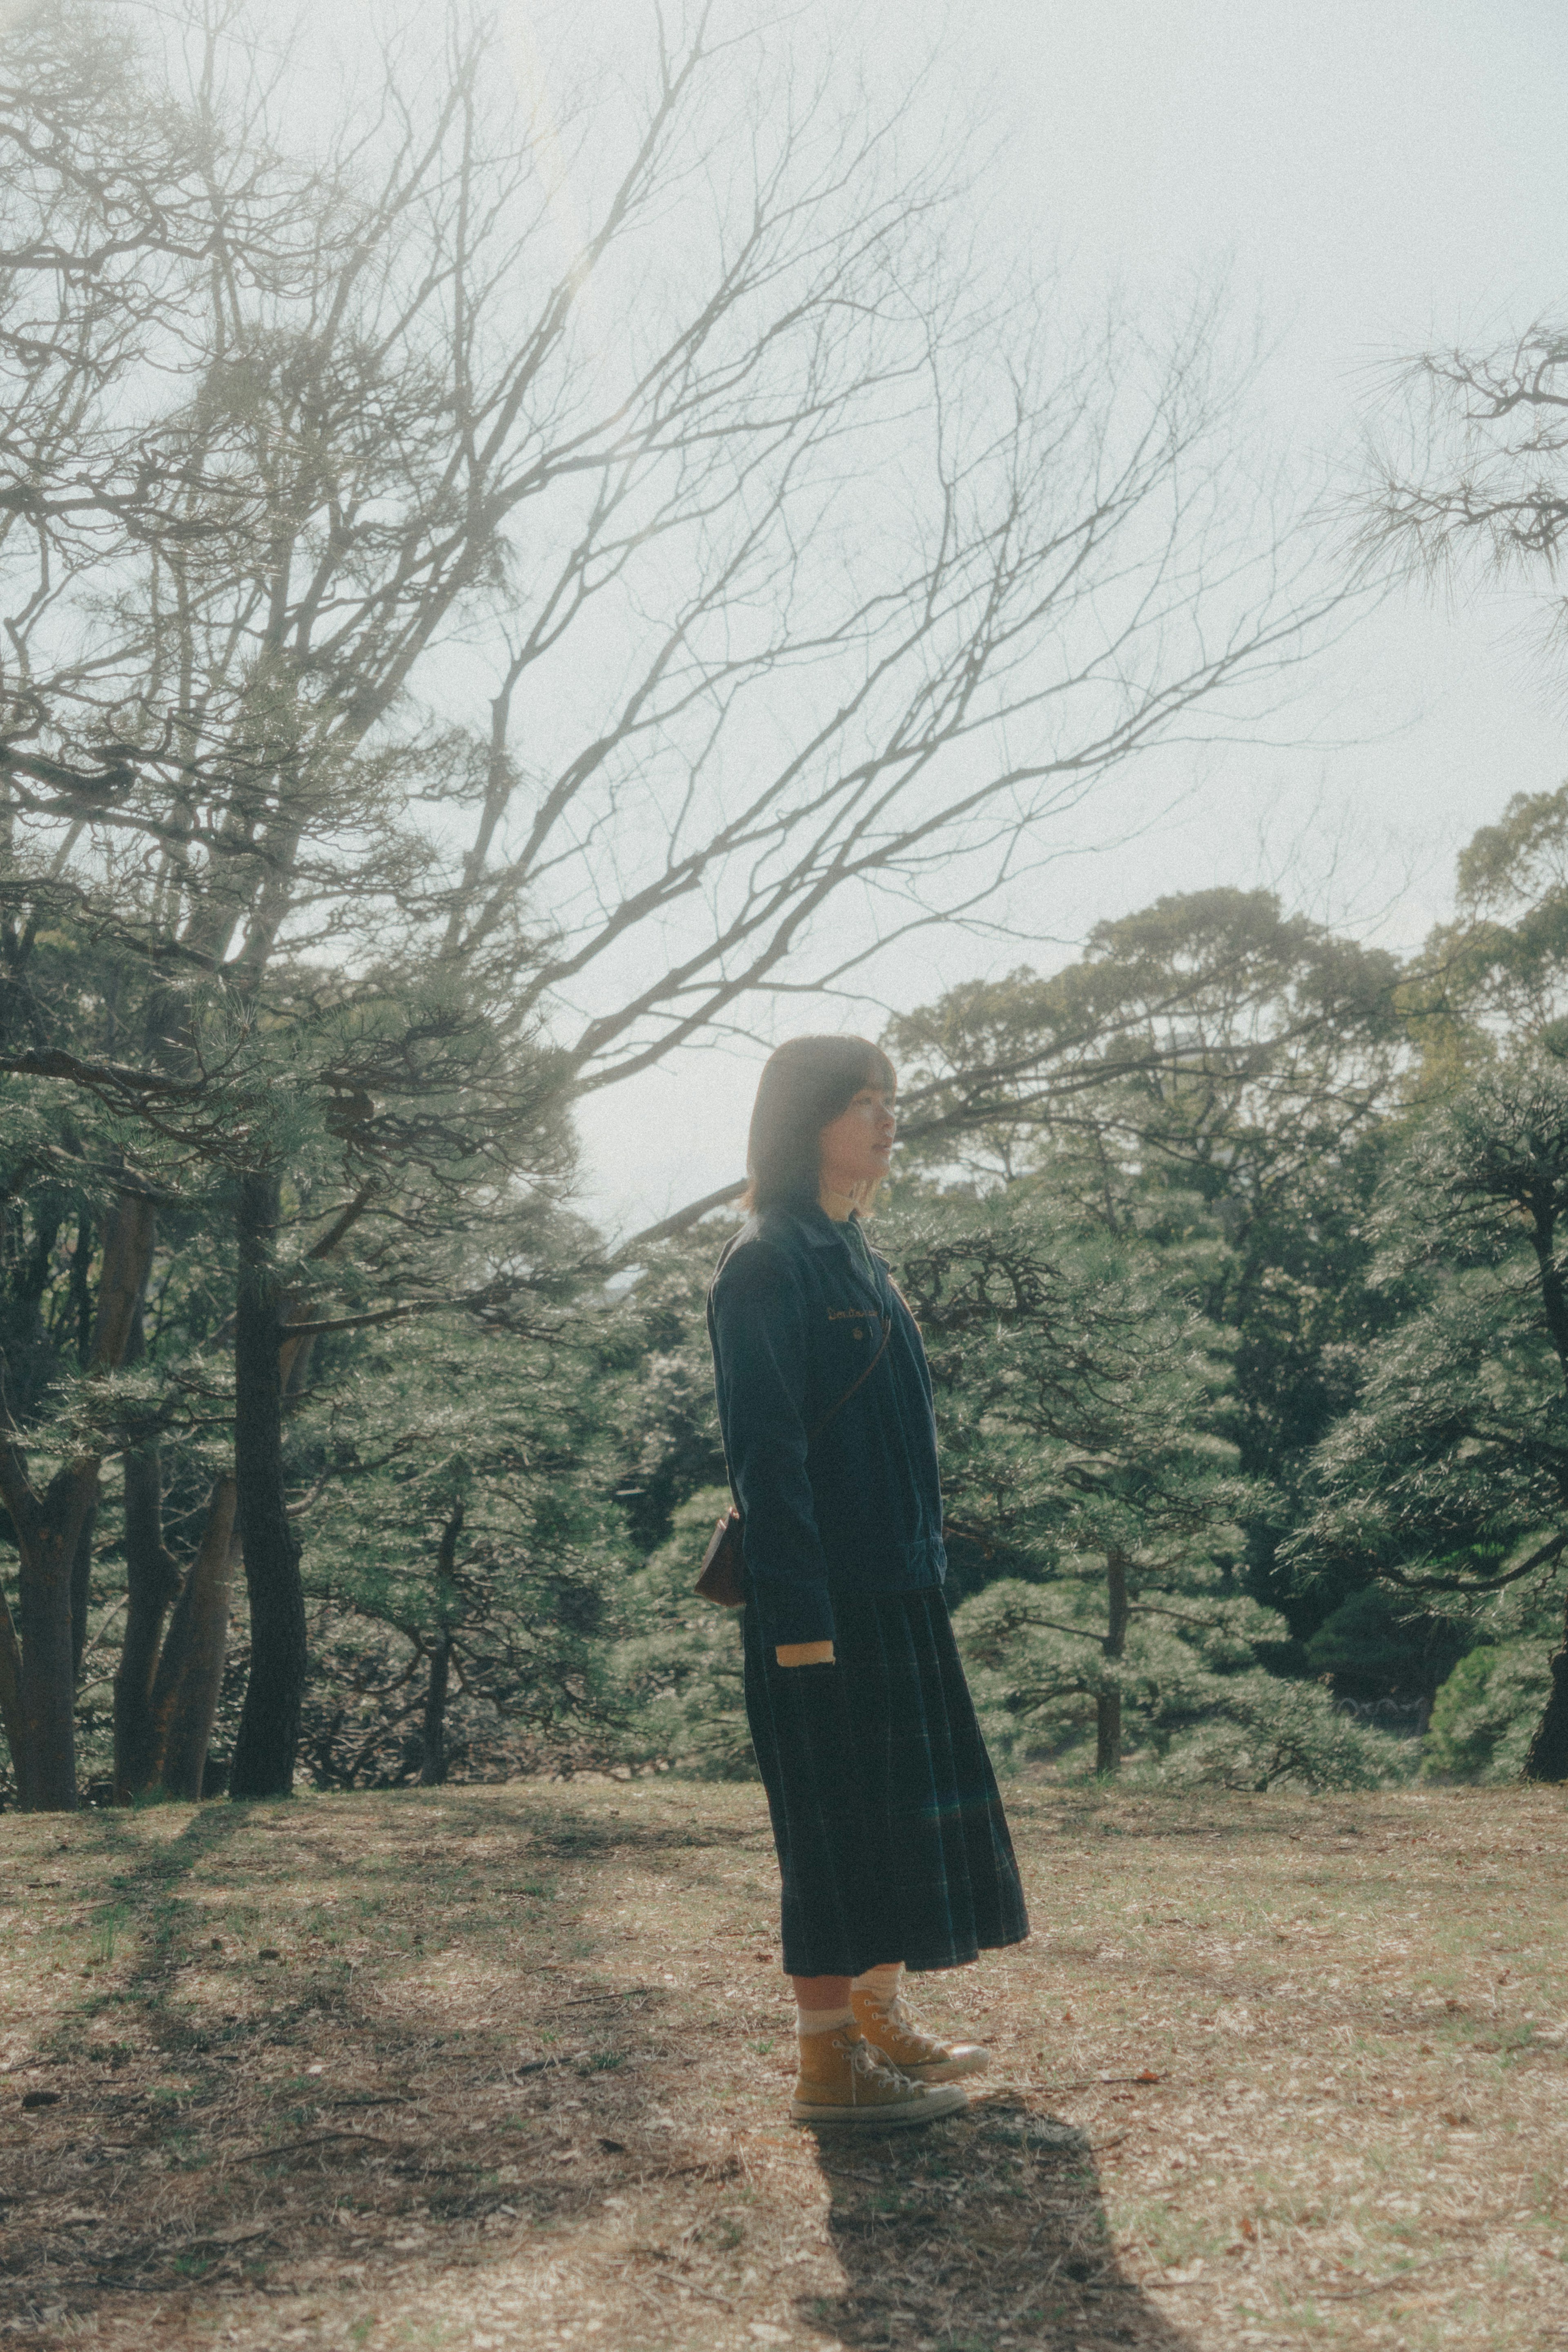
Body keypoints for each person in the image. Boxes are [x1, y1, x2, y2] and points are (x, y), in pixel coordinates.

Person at [708, 1034, 1029, 2130]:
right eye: (861, 1103)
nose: (888, 1119)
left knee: (893, 1818)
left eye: (893, 1099)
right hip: (823, 1604)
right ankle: (827, 2061)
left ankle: (879, 2015)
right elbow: (769, 1459)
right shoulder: (767, 1258)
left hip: (897, 1589)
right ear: (806, 1124)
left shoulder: (860, 1254)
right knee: (834, 1830)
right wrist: (800, 1622)